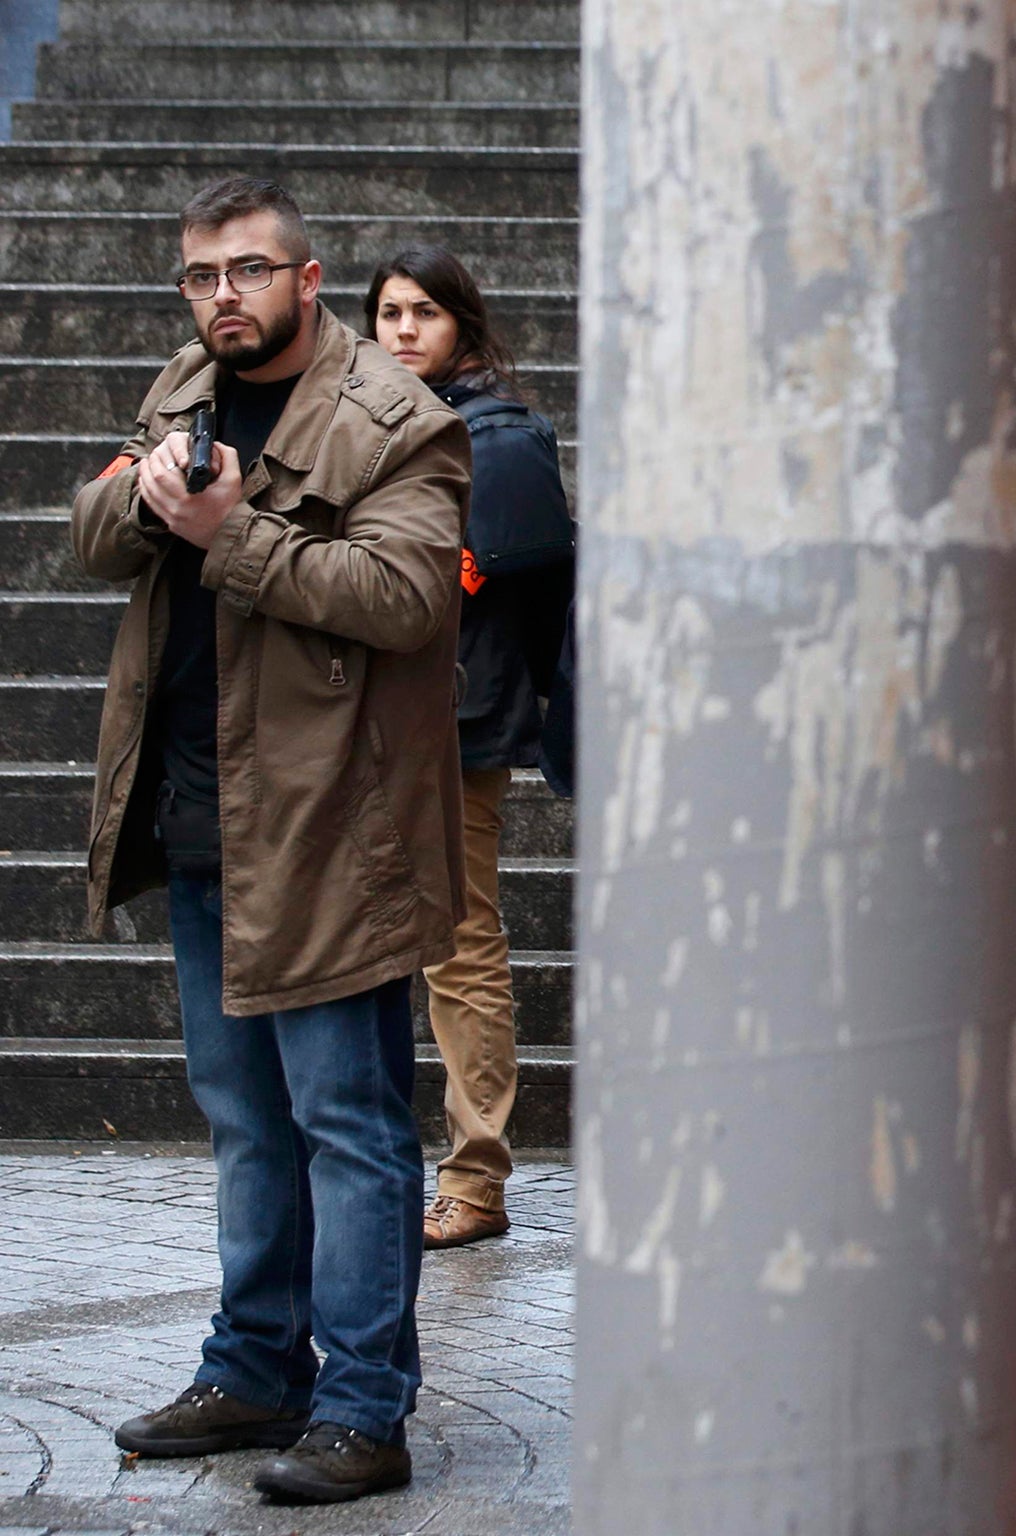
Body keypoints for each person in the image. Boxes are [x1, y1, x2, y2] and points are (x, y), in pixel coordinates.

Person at [73, 176, 469, 1502]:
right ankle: (254, 1368)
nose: (221, 296)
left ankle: (362, 1410)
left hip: (333, 832)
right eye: (200, 275)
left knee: (348, 1127)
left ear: (307, 281)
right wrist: (149, 500)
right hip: (201, 815)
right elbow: (90, 537)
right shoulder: (184, 388)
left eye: (247, 271)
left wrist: (227, 533)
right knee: (246, 1121)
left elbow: (408, 600)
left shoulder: (395, 420)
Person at [367, 246, 574, 1251]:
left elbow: (458, 582)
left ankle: (475, 1174)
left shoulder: (498, 438)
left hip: (455, 719)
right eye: (390, 313)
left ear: (463, 325)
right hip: (352, 717)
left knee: (458, 945)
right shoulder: (360, 422)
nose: (404, 330)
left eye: (425, 313)